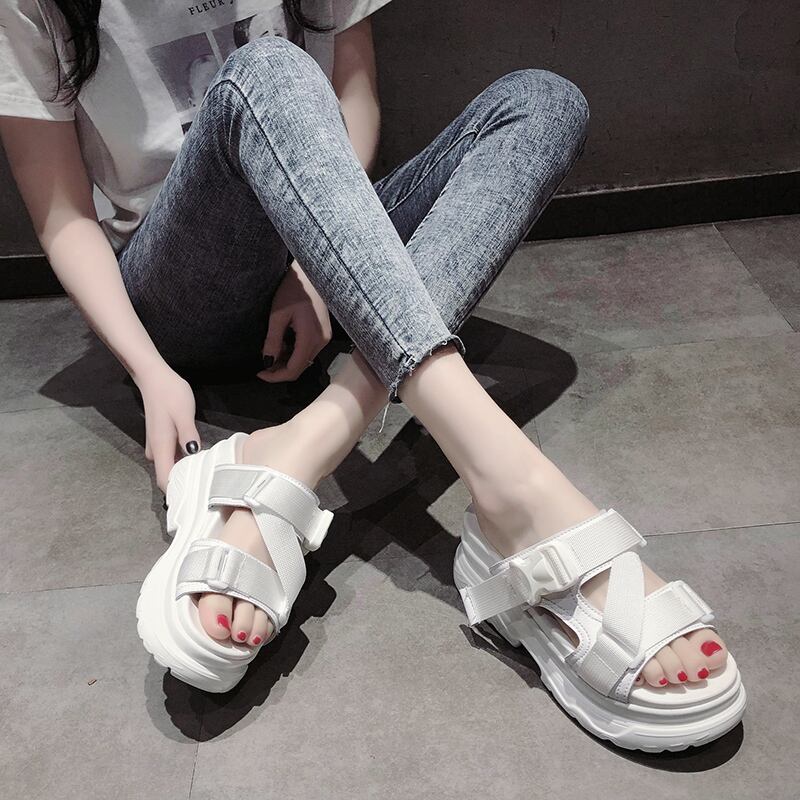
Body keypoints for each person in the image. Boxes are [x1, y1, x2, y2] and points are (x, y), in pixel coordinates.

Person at [0, 0, 744, 751]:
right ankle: (514, 488)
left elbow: (354, 101)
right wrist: (150, 369)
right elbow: (63, 216)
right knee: (270, 69)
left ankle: (307, 439)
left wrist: (310, 268)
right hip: (182, 287)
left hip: (317, 243)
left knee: (543, 103)